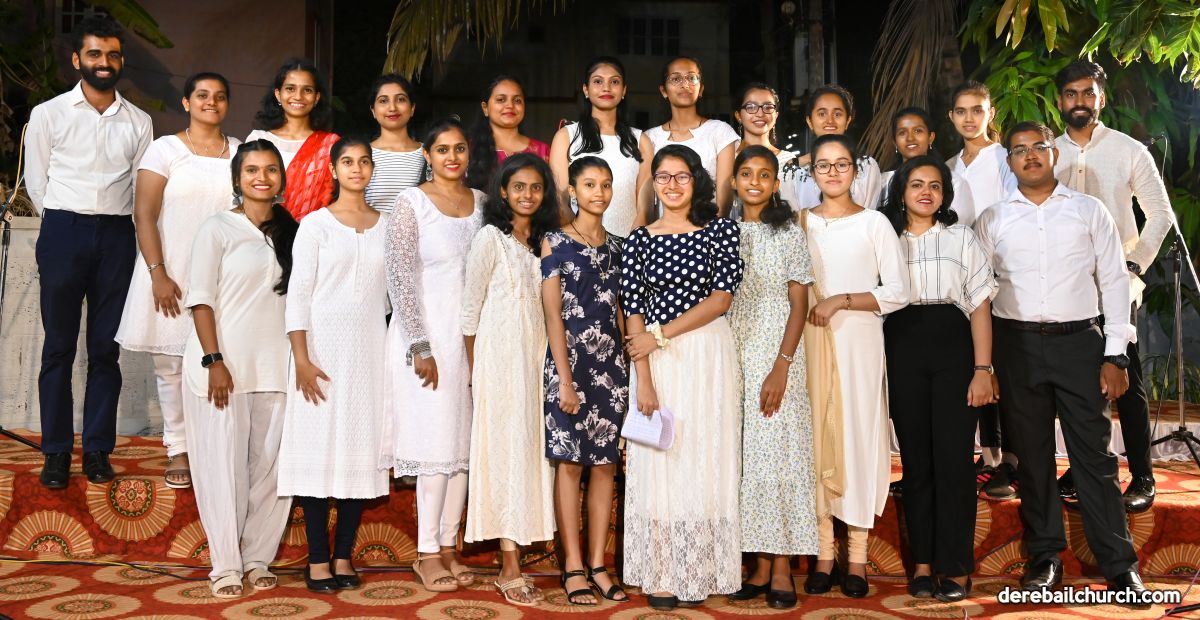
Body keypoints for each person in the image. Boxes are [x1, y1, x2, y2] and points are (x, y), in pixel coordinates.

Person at [974, 121, 1149, 607]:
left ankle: (1120, 566)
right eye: (1019, 150)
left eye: (1039, 147)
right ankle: (1045, 558)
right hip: (1016, 347)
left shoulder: (1089, 211)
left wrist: (1115, 354)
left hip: (1080, 345)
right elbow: (979, 292)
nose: (1029, 155)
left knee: (1095, 459)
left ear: (1055, 154)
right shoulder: (992, 219)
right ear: (1009, 160)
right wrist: (986, 364)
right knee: (1032, 460)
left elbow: (1114, 282)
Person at [24, 15, 152, 489]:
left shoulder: (139, 121)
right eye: (95, 54)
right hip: (63, 230)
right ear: (77, 59)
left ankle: (97, 449)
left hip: (117, 235)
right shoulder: (49, 113)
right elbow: (37, 181)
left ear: (121, 61)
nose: (104, 62)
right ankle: (56, 452)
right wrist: (63, 222)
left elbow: (140, 187)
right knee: (58, 347)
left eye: (112, 54)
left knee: (105, 349)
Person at [621, 144, 744, 611]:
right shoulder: (639, 239)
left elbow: (721, 299)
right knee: (663, 458)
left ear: (697, 181)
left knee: (705, 455)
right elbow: (633, 309)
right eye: (663, 177)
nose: (672, 185)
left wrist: (661, 335)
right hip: (656, 361)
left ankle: (701, 569)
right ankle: (662, 573)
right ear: (653, 184)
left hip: (706, 354)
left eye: (682, 176)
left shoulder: (720, 230)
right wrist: (644, 377)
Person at [1052, 61, 1174, 513]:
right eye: (1071, 93)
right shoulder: (1048, 152)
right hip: (1066, 290)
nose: (1079, 101)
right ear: (1060, 100)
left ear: (1101, 98)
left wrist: (1133, 265)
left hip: (1116, 289)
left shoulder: (1128, 150)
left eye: (1088, 92)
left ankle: (1142, 476)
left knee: (1128, 380)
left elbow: (1161, 214)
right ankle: (1083, 468)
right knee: (1077, 386)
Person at [879, 156, 998, 602]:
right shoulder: (885, 238)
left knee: (953, 462)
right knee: (916, 463)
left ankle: (955, 566)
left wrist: (983, 370)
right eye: (916, 184)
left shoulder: (961, 237)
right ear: (901, 192)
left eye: (934, 185)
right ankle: (923, 563)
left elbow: (980, 305)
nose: (925, 192)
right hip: (902, 347)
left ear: (945, 194)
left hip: (953, 348)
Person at [182, 140, 297, 598]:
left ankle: (257, 558)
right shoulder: (217, 228)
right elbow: (201, 299)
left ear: (281, 178)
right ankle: (226, 566)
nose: (261, 178)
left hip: (278, 366)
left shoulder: (293, 231)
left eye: (270, 169)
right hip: (223, 367)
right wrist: (214, 360)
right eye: (252, 170)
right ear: (237, 178)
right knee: (223, 468)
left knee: (272, 469)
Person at [115, 72, 239, 490]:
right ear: (186, 102)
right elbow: (144, 214)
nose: (211, 102)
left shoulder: (240, 151)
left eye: (219, 96)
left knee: (219, 360)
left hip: (223, 273)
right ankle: (179, 448)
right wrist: (158, 273)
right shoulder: (165, 149)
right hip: (171, 270)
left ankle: (214, 446)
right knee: (170, 365)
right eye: (202, 95)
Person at [278, 137, 390, 593]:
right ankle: (318, 560)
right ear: (333, 169)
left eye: (364, 162)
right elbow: (298, 295)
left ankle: (343, 555)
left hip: (369, 353)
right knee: (317, 449)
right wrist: (302, 359)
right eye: (347, 161)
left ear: (372, 169)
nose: (356, 169)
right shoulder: (315, 225)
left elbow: (392, 297)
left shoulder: (387, 226)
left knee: (358, 450)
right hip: (320, 351)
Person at [799, 134, 908, 599]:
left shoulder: (874, 223)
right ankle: (825, 554)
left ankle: (857, 557)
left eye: (841, 164)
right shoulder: (800, 223)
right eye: (823, 165)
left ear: (855, 171)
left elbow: (898, 291)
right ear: (812, 174)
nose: (832, 172)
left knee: (859, 440)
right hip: (809, 342)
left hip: (859, 341)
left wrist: (841, 301)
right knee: (816, 440)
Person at [384, 119, 484, 592]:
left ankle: (448, 547)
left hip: (473, 339)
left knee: (463, 447)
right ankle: (425, 553)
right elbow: (400, 277)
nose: (451, 157)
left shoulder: (483, 203)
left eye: (459, 148)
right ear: (427, 154)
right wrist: (420, 345)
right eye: (442, 149)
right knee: (434, 444)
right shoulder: (412, 203)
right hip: (426, 339)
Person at [461, 153, 559, 606]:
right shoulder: (490, 239)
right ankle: (509, 566)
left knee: (530, 455)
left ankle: (523, 547)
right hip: (498, 365)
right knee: (504, 456)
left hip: (537, 363)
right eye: (518, 186)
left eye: (535, 188)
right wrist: (476, 375)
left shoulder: (547, 242)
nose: (527, 195)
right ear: (503, 191)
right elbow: (469, 312)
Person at [725, 146, 815, 610]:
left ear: (776, 184)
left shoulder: (788, 232)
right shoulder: (722, 233)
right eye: (746, 173)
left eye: (764, 175)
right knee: (746, 460)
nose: (755, 182)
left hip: (778, 353)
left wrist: (781, 365)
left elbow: (800, 303)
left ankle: (781, 567)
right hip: (732, 352)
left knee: (778, 457)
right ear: (734, 182)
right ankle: (758, 565)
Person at [541, 157, 629, 606]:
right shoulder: (554, 242)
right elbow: (553, 315)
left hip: (611, 369)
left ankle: (598, 564)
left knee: (605, 466)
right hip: (568, 366)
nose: (599, 192)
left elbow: (622, 313)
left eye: (606, 184)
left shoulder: (620, 248)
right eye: (590, 184)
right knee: (570, 464)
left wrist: (631, 371)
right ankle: (573, 566)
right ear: (573, 191)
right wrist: (565, 380)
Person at [946, 80, 1018, 499]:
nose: (969, 118)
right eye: (961, 111)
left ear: (991, 114)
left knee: (1003, 368)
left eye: (977, 110)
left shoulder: (1006, 160)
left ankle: (1012, 460)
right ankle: (988, 456)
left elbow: (1013, 216)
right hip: (962, 282)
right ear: (952, 117)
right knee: (977, 364)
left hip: (1003, 277)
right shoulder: (949, 167)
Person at [548, 57, 653, 236]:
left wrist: (632, 243)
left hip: (629, 240)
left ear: (624, 90)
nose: (606, 88)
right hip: (578, 240)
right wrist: (580, 239)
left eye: (614, 82)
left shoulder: (641, 140)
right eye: (598, 81)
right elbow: (560, 199)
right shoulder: (566, 136)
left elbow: (645, 205)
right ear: (586, 90)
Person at [642, 57, 739, 216]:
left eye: (691, 78)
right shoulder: (649, 138)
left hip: (710, 227)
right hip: (663, 228)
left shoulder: (720, 132)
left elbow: (724, 198)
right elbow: (646, 201)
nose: (685, 84)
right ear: (664, 91)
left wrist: (711, 229)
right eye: (676, 79)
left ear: (700, 89)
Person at [247, 58, 339, 220]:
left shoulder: (330, 145)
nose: (298, 96)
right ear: (278, 94)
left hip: (314, 232)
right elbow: (247, 190)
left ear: (317, 97)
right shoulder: (259, 139)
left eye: (307, 90)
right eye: (290, 88)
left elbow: (338, 197)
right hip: (262, 229)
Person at [789, 85, 883, 211]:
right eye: (822, 114)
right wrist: (802, 160)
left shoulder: (866, 167)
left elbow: (868, 215)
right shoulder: (795, 171)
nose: (830, 121)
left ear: (848, 121)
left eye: (837, 114)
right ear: (810, 121)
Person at [878, 107, 976, 225]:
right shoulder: (883, 182)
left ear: (931, 137)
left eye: (918, 131)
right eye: (902, 132)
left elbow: (960, 229)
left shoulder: (954, 182)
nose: (910, 138)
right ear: (895, 142)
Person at [466, 76, 549, 192]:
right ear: (485, 108)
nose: (510, 105)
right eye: (501, 100)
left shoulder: (543, 151)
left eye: (517, 100)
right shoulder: (468, 149)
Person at [733, 83, 802, 212]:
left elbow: (793, 208)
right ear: (738, 116)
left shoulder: (788, 159)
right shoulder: (727, 158)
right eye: (751, 107)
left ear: (776, 115)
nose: (760, 113)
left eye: (768, 107)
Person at [365, 74, 426, 213]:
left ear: (412, 108)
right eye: (383, 101)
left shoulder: (429, 154)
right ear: (373, 110)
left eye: (400, 99)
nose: (392, 107)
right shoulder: (361, 154)